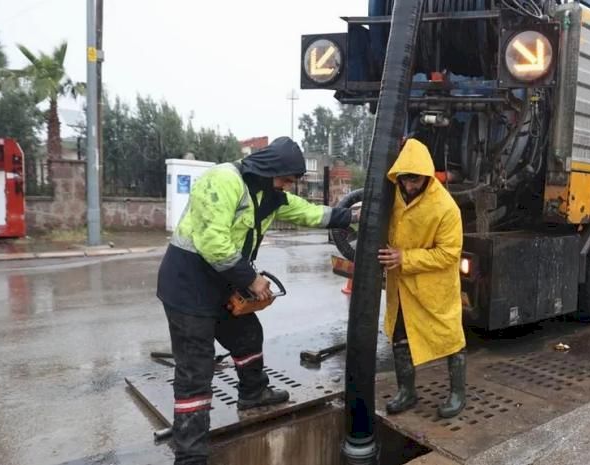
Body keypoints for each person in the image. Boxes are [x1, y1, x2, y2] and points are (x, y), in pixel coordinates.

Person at [156, 137, 358, 465]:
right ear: (270, 169)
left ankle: (253, 393)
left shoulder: (270, 195)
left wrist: (350, 215)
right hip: (187, 284)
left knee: (248, 335)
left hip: (222, 282)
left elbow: (310, 213)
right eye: (287, 178)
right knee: (195, 369)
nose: (288, 185)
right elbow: (213, 241)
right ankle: (191, 455)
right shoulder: (223, 180)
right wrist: (251, 279)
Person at [378, 138, 467, 418]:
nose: (409, 186)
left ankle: (457, 394)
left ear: (427, 176)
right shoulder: (391, 195)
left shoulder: (446, 208)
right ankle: (407, 391)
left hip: (433, 289)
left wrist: (405, 258)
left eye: (415, 180)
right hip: (402, 287)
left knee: (450, 339)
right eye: (405, 180)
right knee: (400, 336)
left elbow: (449, 254)